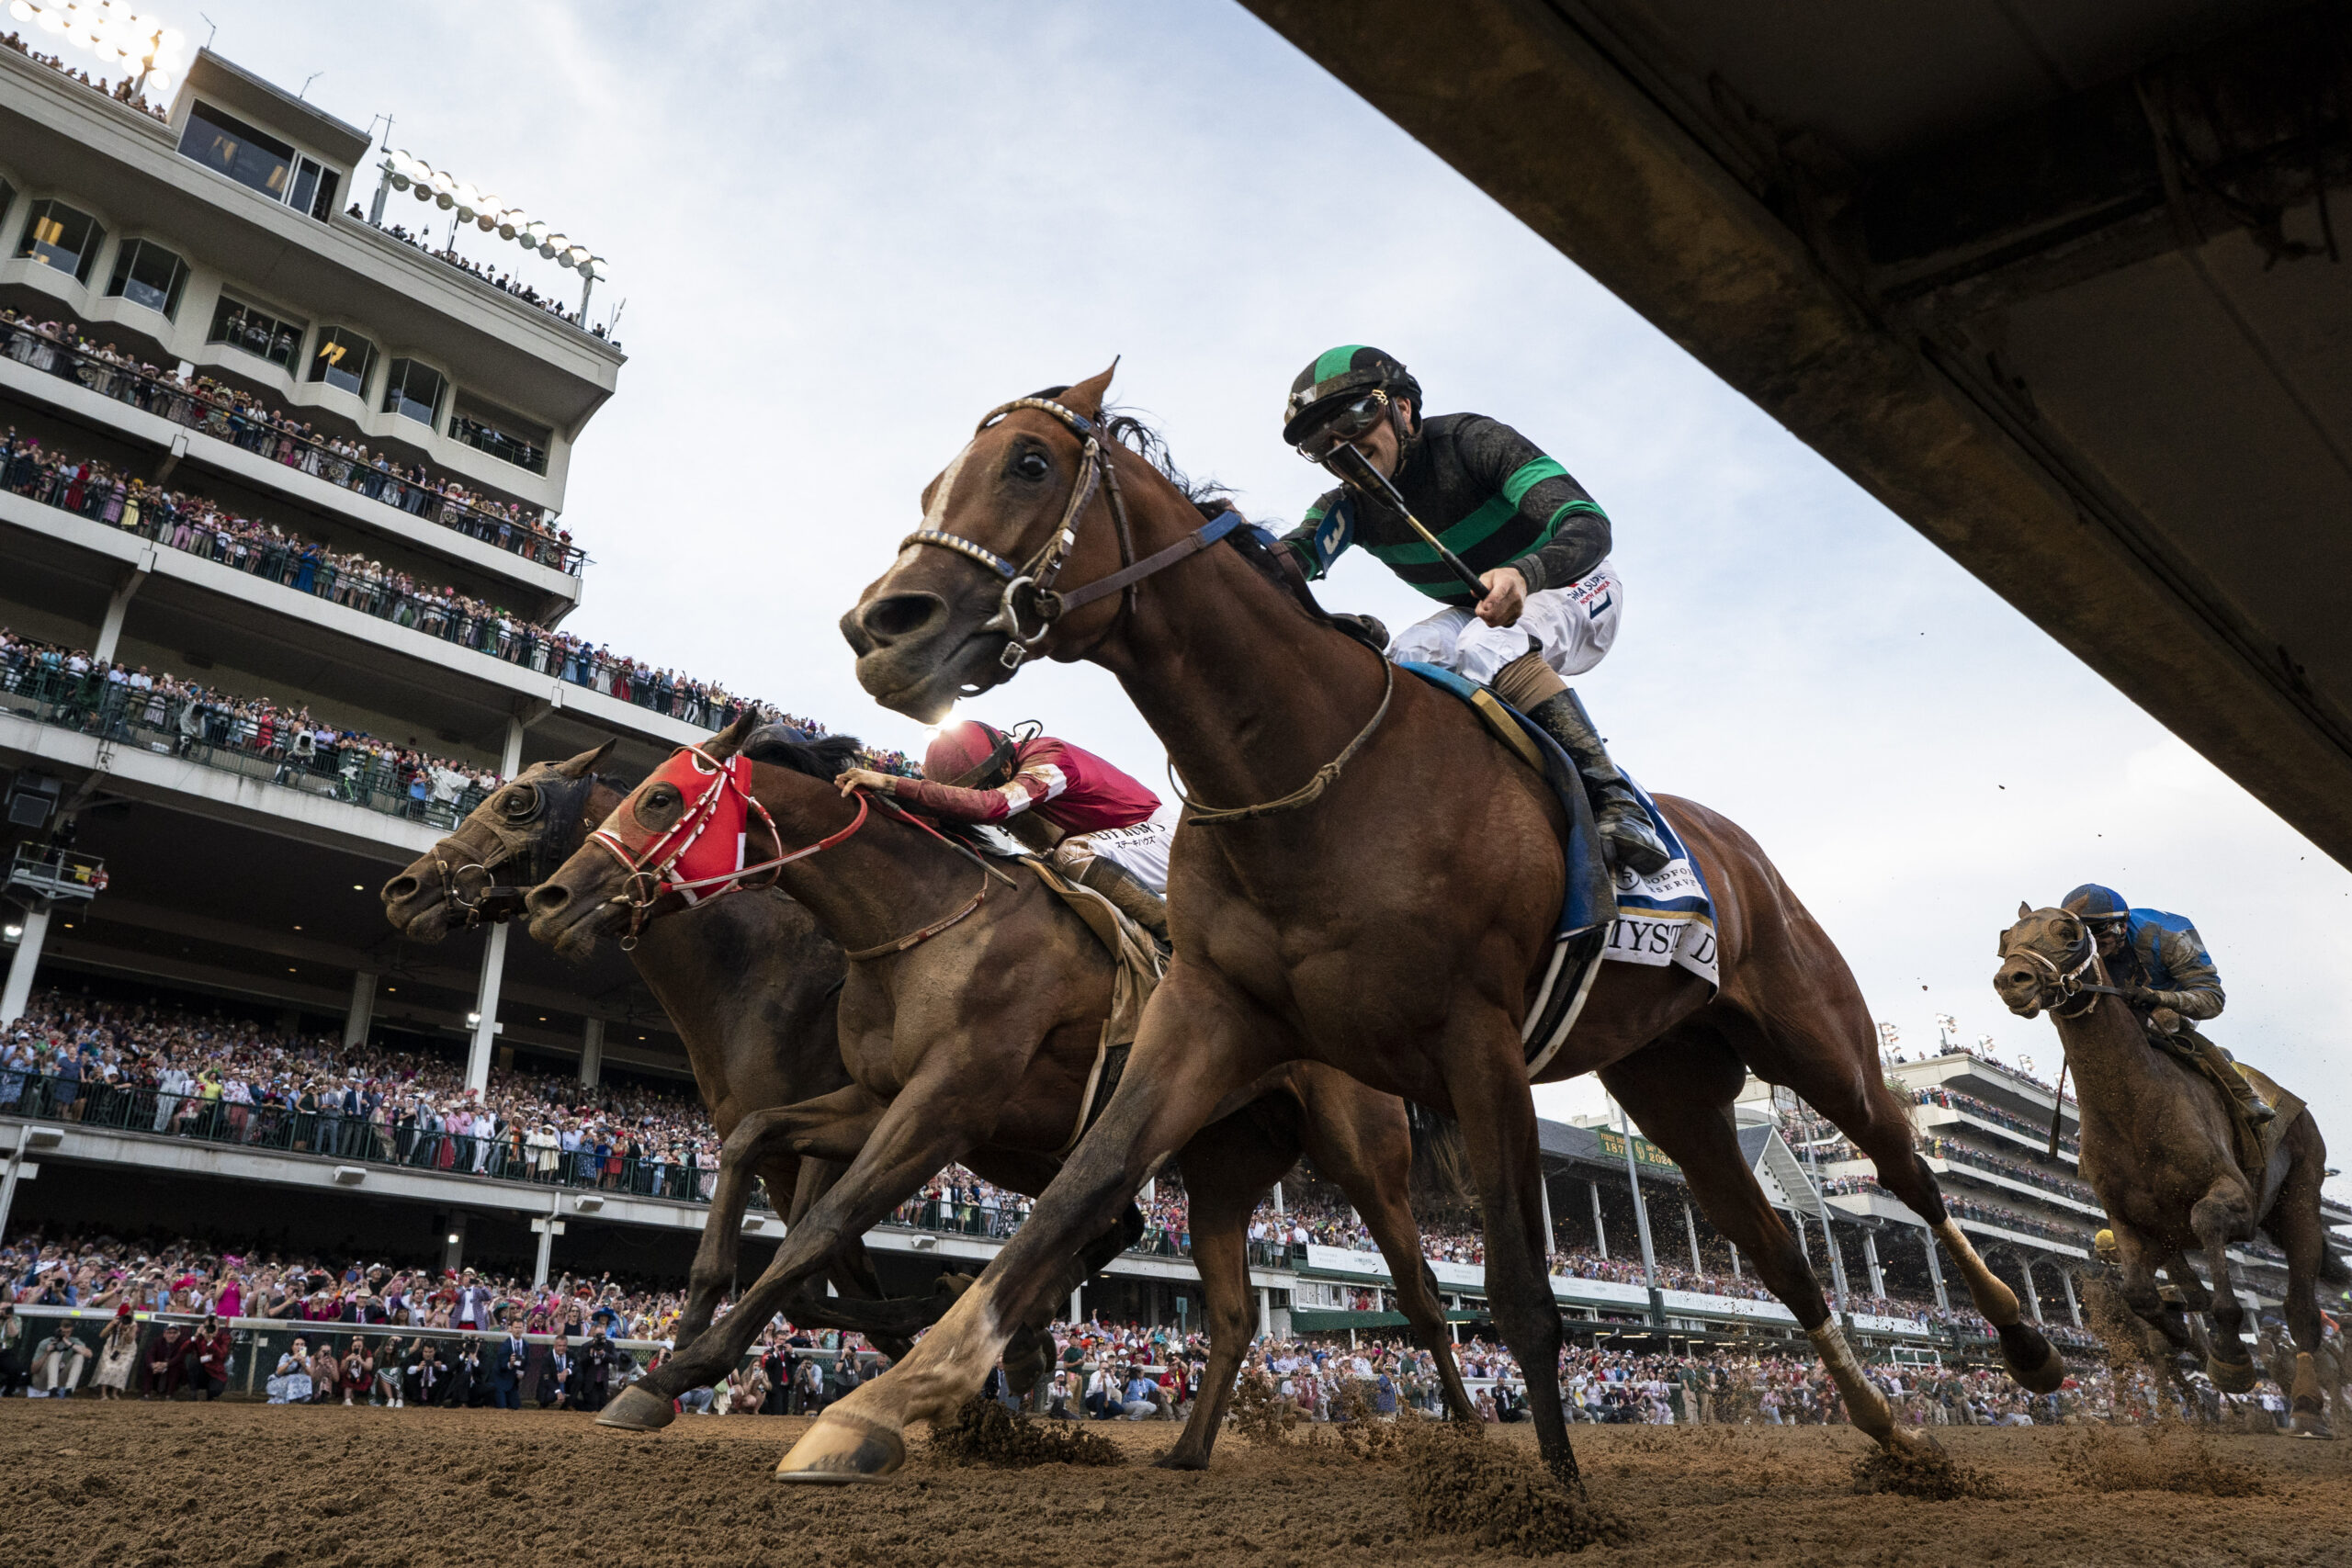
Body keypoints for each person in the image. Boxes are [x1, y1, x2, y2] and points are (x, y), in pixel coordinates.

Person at [1274, 345, 1668, 874]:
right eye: (1319, 439)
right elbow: (1283, 563)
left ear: (1404, 409)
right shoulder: (1345, 508)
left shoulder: (1470, 441)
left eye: (1355, 415)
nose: (1342, 443)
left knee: (1486, 644)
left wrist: (1524, 573)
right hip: (1477, 609)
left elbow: (1588, 525)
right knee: (1406, 660)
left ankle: (1614, 798)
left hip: (1578, 582)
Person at [836, 718, 1172, 944]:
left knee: (1073, 854)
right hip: (1113, 850)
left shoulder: (1053, 760)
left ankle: (1176, 940)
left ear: (1008, 765)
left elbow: (990, 806)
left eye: (980, 786)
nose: (975, 793)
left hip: (1159, 835)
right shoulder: (1008, 767)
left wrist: (893, 782)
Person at [2062, 884, 2273, 1123]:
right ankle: (2094, 1116)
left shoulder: (2168, 936)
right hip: (2121, 1005)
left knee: (2163, 1020)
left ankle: (2243, 1095)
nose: (2092, 942)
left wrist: (2156, 997)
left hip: (2172, 998)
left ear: (2121, 926)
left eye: (2098, 931)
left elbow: (2213, 999)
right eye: (2081, 933)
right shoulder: (2076, 949)